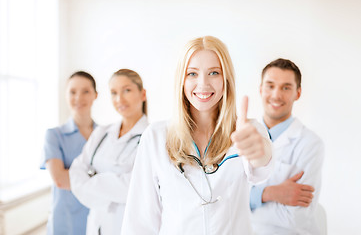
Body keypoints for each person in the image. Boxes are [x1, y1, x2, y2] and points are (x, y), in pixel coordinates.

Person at [121, 36, 273, 235]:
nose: (203, 84)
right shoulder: (155, 137)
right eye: (192, 74)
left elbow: (262, 167)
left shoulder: (248, 131)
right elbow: (140, 221)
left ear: (226, 79)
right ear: (181, 80)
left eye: (214, 73)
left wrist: (258, 152)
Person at [250, 58, 325, 234]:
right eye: (270, 85)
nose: (276, 95)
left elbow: (296, 217)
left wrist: (247, 200)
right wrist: (268, 193)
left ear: (297, 93)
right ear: (261, 89)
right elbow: (224, 199)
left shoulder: (311, 144)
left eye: (286, 87)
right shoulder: (241, 136)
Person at [69, 69, 148, 235]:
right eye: (114, 93)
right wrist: (112, 188)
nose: (119, 99)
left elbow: (136, 186)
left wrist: (92, 181)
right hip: (96, 225)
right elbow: (76, 171)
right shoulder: (101, 133)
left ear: (142, 94)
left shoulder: (153, 137)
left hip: (130, 227)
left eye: (127, 90)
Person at [40, 71, 98, 235]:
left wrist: (75, 176)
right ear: (66, 95)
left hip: (98, 218)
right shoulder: (54, 135)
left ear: (95, 95)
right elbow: (60, 179)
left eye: (85, 91)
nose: (78, 98)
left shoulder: (105, 135)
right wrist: (99, 180)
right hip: (65, 222)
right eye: (72, 92)